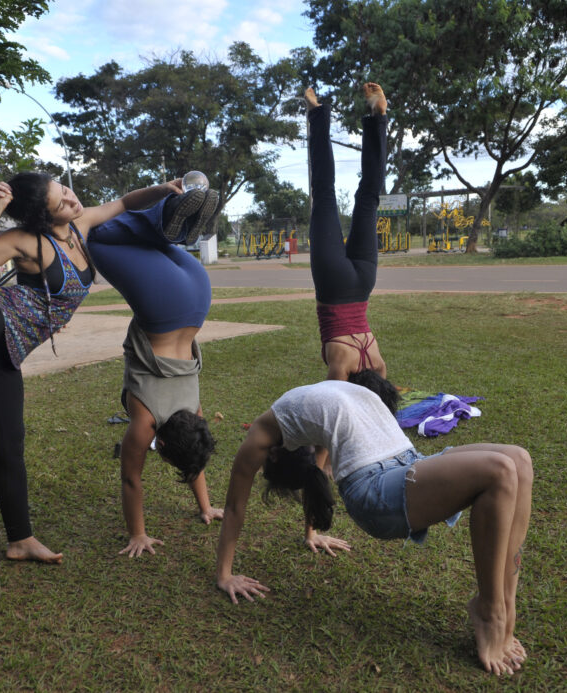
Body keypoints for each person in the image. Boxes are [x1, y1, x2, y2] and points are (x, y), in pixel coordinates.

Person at [0, 173, 200, 563]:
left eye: (65, 191)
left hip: (3, 353)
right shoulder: (26, 241)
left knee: (10, 446)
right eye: (60, 202)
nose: (71, 200)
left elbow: (124, 202)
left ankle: (20, 540)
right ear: (41, 218)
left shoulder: (79, 227)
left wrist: (163, 189)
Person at [214, 379, 533, 676]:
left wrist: (311, 532)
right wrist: (225, 576)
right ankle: (491, 613)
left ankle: (506, 603)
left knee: (519, 460)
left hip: (408, 461)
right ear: (272, 455)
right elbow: (233, 508)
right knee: (500, 470)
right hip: (374, 489)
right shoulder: (263, 436)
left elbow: (316, 473)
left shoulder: (293, 420)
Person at [86, 187, 223, 558]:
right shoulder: (145, 422)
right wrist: (138, 534)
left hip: (198, 295)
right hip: (163, 304)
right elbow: (131, 478)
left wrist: (207, 507)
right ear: (159, 443)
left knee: (148, 242)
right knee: (94, 235)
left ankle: (173, 221)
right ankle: (167, 217)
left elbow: (195, 456)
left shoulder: (194, 414)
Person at [305, 84, 399, 413]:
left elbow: (384, 406)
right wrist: (323, 461)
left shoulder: (379, 364)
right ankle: (317, 113)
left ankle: (378, 118)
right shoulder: (340, 368)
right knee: (324, 192)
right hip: (333, 285)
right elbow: (335, 409)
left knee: (369, 197)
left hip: (363, 283)